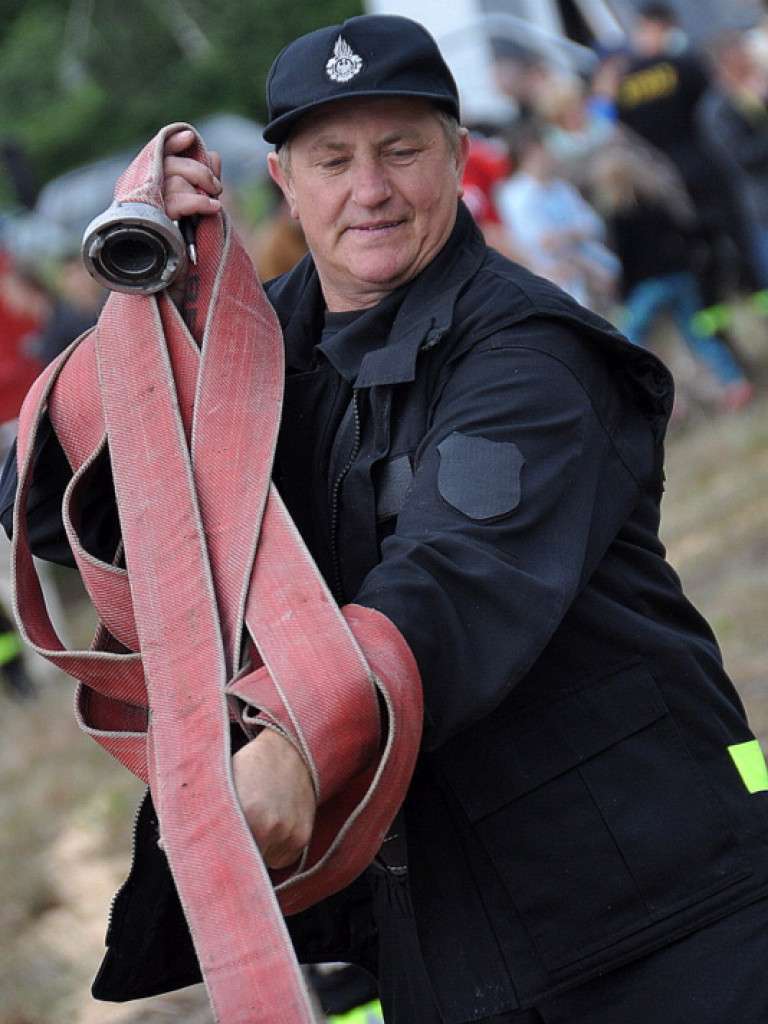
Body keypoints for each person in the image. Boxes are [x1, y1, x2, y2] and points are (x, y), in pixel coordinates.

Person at [4, 13, 768, 1024]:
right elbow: (66, 516)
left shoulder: (530, 354)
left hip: (656, 912)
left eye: (402, 150)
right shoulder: (245, 351)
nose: (369, 190)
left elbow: (457, 578)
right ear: (281, 175)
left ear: (457, 155)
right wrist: (144, 328)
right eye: (333, 158)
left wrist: (291, 743)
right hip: (439, 936)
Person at [495, 119, 619, 309]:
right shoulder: (514, 195)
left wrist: (569, 237)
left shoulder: (562, 188)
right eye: (543, 149)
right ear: (529, 153)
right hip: (556, 283)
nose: (550, 155)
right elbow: (543, 242)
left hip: (593, 277)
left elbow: (595, 226)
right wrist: (575, 236)